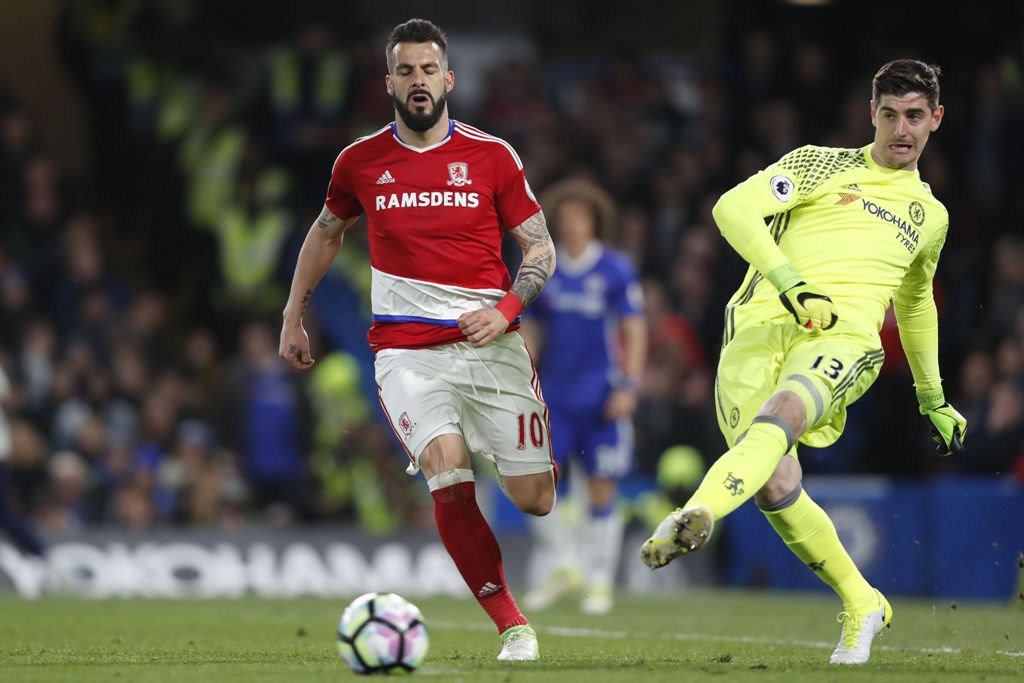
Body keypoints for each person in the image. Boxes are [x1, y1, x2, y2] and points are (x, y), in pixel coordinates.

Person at [640, 59, 967, 665]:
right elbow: (733, 209)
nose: (901, 128)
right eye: (890, 114)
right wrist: (791, 284)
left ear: (936, 120)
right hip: (757, 330)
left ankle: (699, 512)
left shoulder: (931, 217)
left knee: (785, 412)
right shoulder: (820, 162)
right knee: (773, 480)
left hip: (844, 341)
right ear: (872, 114)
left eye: (915, 116)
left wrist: (933, 397)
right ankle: (863, 600)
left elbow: (916, 305)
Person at [279, 18, 556, 661]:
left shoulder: (493, 156)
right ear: (388, 83)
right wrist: (294, 313)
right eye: (406, 71)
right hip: (405, 353)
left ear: (449, 79)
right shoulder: (359, 162)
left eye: (429, 70)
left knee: (534, 499)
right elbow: (326, 233)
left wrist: (508, 306)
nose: (418, 81)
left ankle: (510, 446)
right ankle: (513, 625)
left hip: (492, 345)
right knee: (444, 466)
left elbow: (538, 247)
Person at [519, 179, 646, 615]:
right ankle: (564, 565)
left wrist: (628, 385)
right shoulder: (545, 268)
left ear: (595, 221)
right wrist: (524, 380)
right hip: (554, 396)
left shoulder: (615, 270)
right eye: (566, 218)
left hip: (601, 397)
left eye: (581, 217)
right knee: (540, 487)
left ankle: (598, 583)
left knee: (601, 487)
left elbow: (633, 330)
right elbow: (532, 331)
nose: (572, 225)